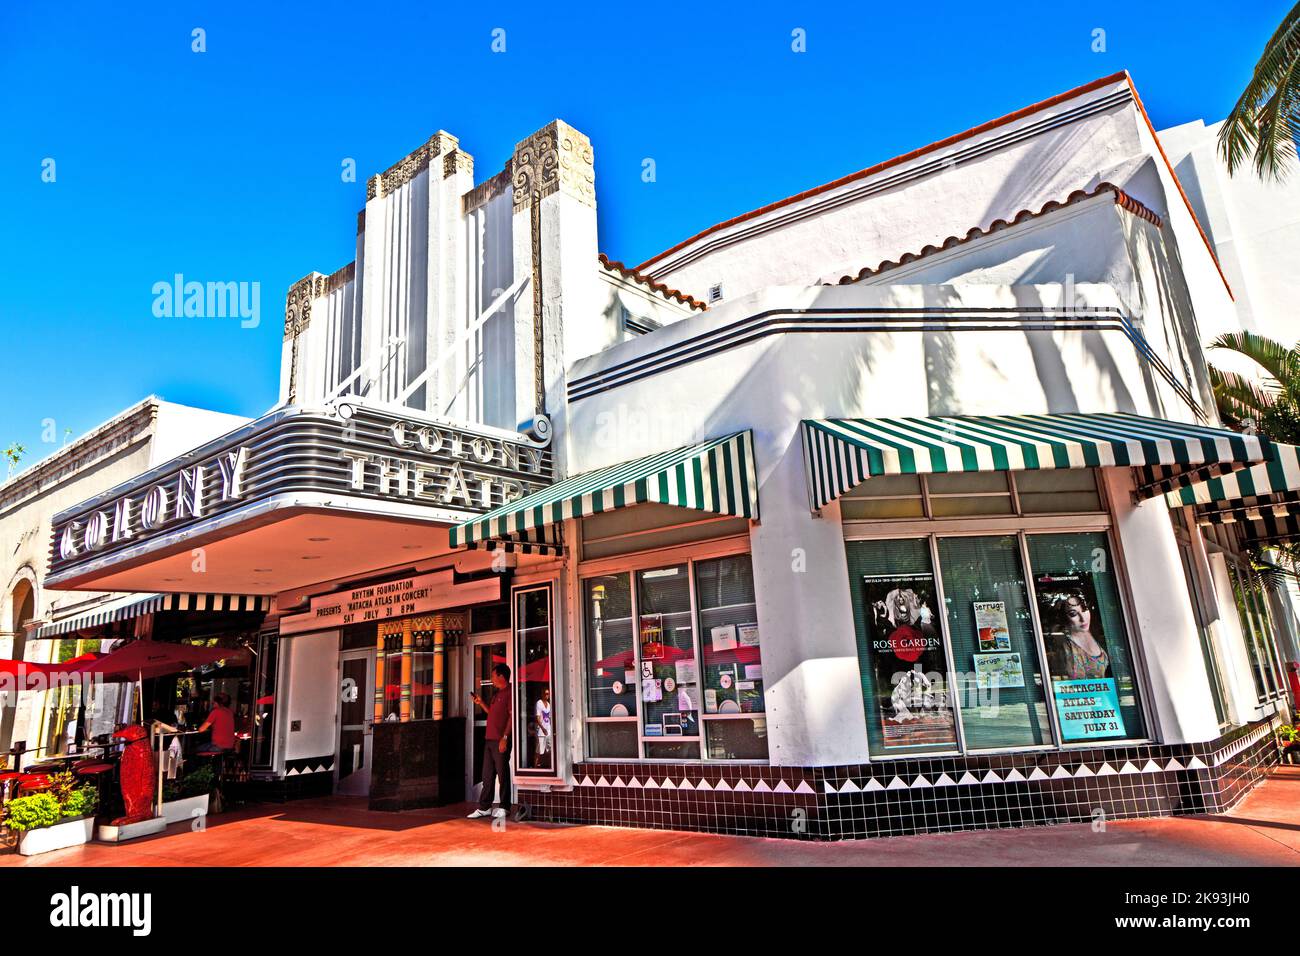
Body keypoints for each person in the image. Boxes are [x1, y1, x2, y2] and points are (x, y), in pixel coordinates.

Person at [468, 664, 513, 820]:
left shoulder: (510, 693)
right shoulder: (497, 694)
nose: (492, 679)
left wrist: (505, 738)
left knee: (503, 774)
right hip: (489, 739)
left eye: (493, 676)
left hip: (500, 740)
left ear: (501, 676)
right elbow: (492, 714)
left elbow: (512, 717)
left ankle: (505, 806)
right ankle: (484, 807)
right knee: (487, 775)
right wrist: (480, 703)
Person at [1050, 592, 1111, 680]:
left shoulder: (1100, 637)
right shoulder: (1064, 647)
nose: (1082, 618)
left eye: (1085, 609)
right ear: (1064, 618)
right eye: (1073, 614)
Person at [533, 688, 552, 767]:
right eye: (545, 693)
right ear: (542, 694)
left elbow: (550, 718)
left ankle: (549, 767)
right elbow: (537, 718)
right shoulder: (539, 703)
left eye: (547, 694)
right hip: (541, 731)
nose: (546, 695)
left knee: (549, 750)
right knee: (539, 751)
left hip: (548, 730)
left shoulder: (549, 704)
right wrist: (543, 728)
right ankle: (535, 767)